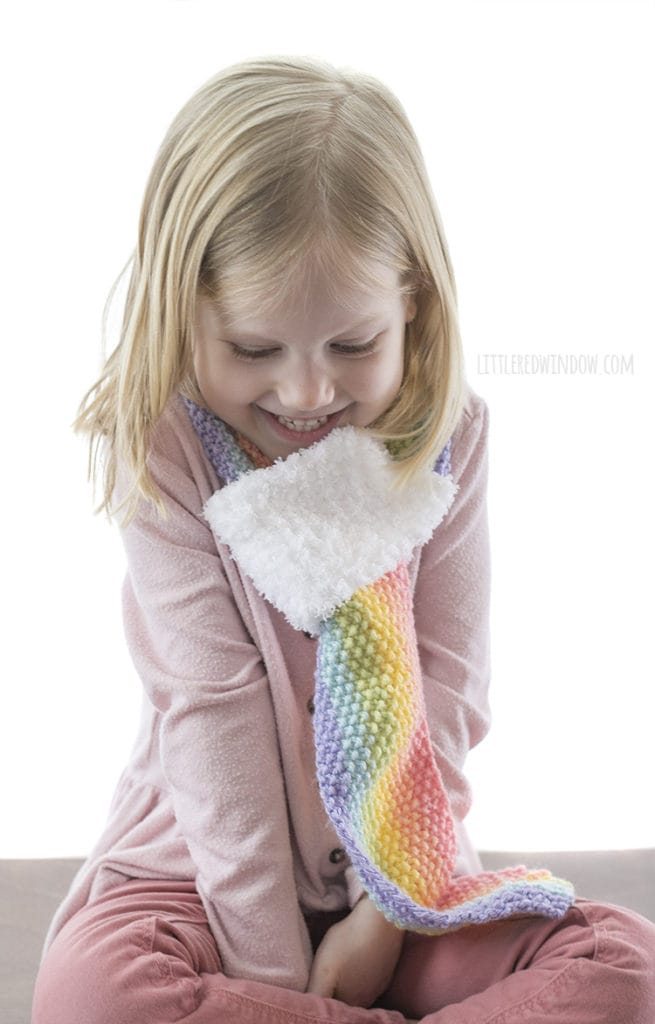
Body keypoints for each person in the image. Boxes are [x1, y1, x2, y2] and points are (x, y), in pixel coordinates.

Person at [32, 56, 654, 1024]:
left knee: (627, 965)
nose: (308, 392)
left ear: (412, 298)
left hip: (399, 875)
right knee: (95, 995)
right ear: (181, 307)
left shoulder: (452, 434)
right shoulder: (164, 445)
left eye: (352, 346)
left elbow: (446, 681)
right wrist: (268, 976)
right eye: (253, 349)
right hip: (200, 874)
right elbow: (212, 711)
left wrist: (383, 915)